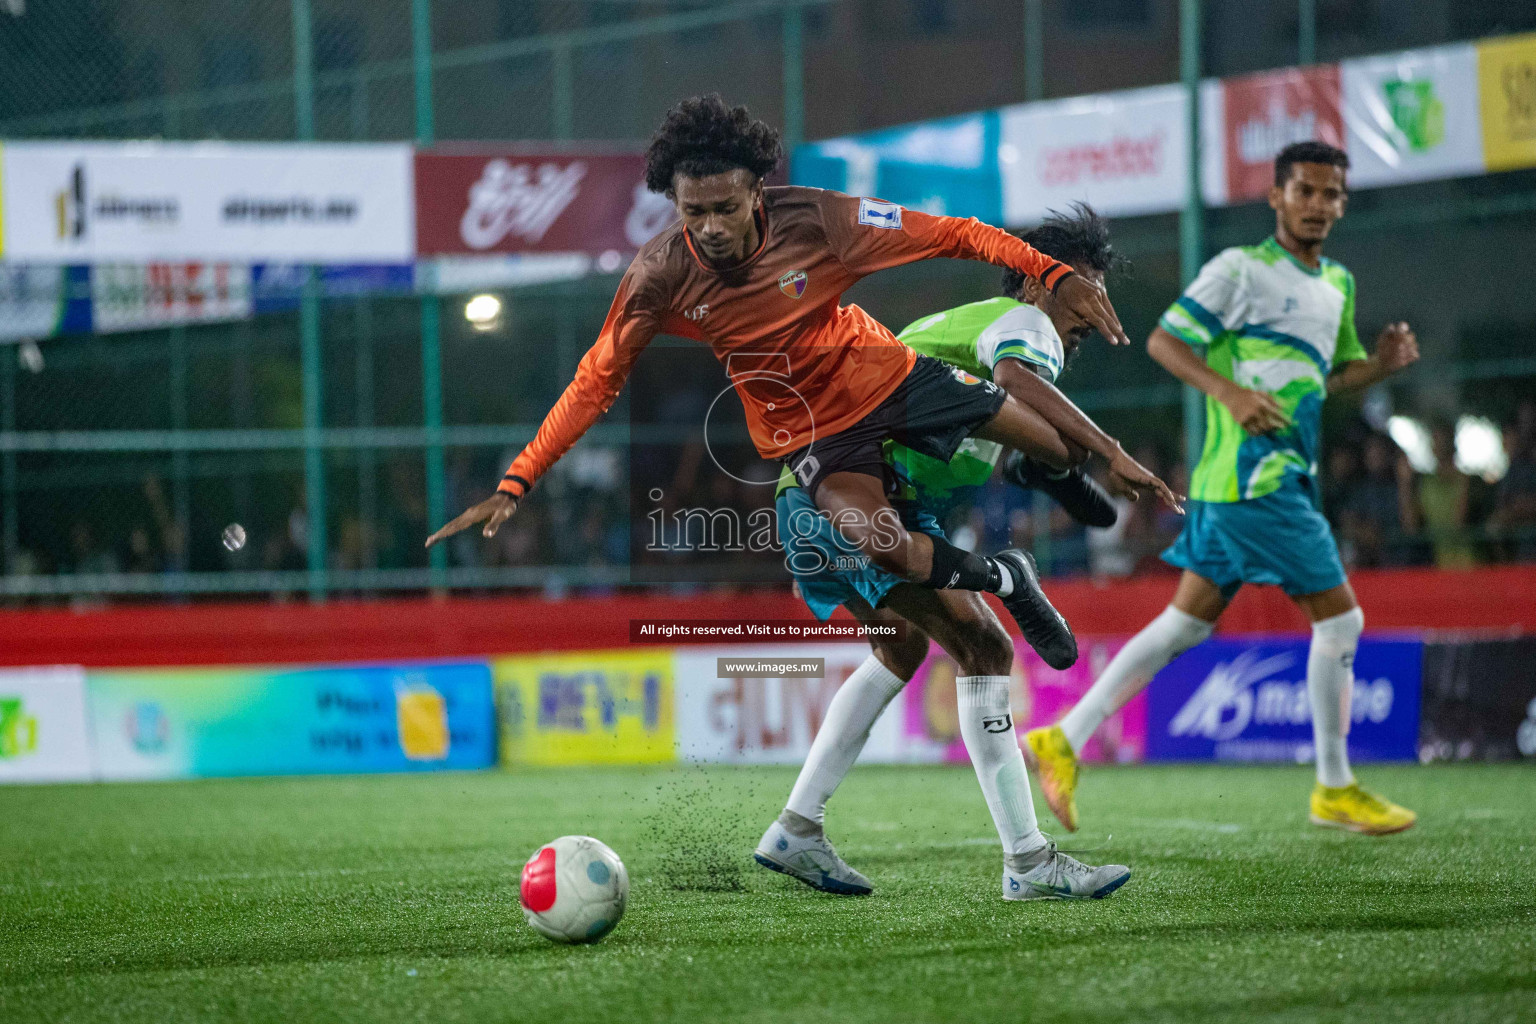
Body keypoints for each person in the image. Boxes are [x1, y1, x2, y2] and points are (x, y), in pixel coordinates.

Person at [425, 95, 1177, 666]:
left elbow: (953, 233)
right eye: (694, 213)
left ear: (757, 190)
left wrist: (1046, 272)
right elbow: (596, 380)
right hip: (813, 434)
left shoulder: (822, 221)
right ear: (674, 204)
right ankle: (1007, 577)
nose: (711, 226)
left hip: (892, 377)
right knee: (882, 545)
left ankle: (1039, 464)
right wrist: (518, 479)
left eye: (725, 207)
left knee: (1067, 448)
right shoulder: (658, 276)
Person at [756, 204, 1164, 901]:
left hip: (826, 496)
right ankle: (1029, 864)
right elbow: (1013, 384)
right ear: (1038, 282)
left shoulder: (959, 331)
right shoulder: (1029, 330)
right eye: (1083, 287)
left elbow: (966, 424)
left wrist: (1052, 464)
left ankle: (797, 829)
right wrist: (1107, 454)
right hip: (848, 503)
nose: (1095, 310)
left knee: (904, 647)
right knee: (984, 648)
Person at [1025, 140, 1422, 837]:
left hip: (1260, 477)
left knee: (1186, 624)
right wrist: (1230, 393)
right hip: (1254, 478)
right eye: (1305, 191)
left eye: (1332, 194)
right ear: (1276, 197)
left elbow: (1316, 385)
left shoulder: (1338, 286)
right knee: (1343, 622)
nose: (1318, 205)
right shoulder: (1239, 270)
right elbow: (1167, 343)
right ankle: (1334, 785)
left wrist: (1379, 369)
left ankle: (1064, 736)